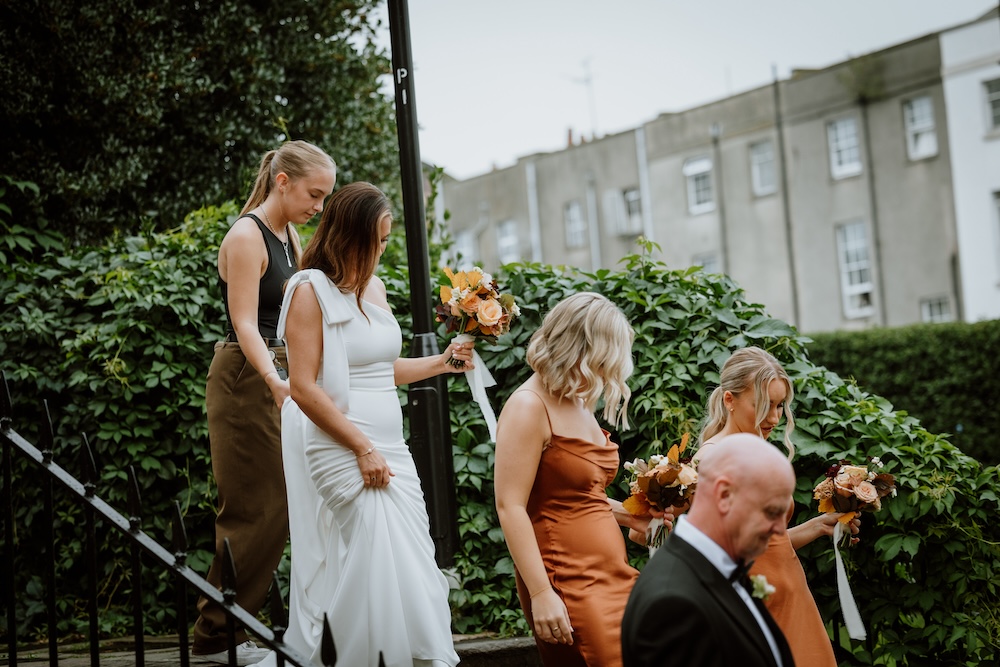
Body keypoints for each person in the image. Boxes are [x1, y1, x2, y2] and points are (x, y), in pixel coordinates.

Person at [258, 181, 466, 667]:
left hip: (390, 447)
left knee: (411, 559)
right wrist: (359, 445)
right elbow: (305, 387)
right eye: (378, 239)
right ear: (350, 234)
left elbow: (381, 369)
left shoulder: (374, 288)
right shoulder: (307, 289)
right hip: (341, 445)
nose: (382, 249)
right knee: (374, 556)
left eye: (388, 239)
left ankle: (413, 658)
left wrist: (442, 362)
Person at [193, 141, 336, 665]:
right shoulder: (245, 236)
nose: (319, 206)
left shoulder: (289, 234)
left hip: (280, 376)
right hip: (247, 378)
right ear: (282, 181)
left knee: (285, 504)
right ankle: (216, 637)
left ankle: (239, 624)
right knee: (256, 508)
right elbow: (246, 325)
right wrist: (278, 382)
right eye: (313, 194)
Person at [494, 292, 660, 667]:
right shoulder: (527, 407)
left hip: (612, 573)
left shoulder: (578, 401)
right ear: (584, 346)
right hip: (567, 578)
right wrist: (541, 593)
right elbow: (510, 506)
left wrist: (632, 516)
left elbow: (581, 497)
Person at [695, 346, 859, 667]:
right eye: (764, 405)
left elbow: (771, 542)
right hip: (752, 608)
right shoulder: (712, 458)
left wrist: (818, 526)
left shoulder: (760, 449)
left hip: (793, 599)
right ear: (730, 400)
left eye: (780, 405)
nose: (774, 417)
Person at [621, 434, 798, 667]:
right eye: (772, 512)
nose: (779, 529)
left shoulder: (718, 568)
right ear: (724, 495)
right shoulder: (672, 607)